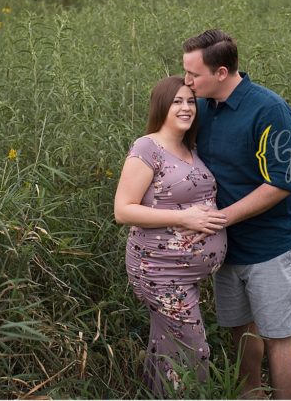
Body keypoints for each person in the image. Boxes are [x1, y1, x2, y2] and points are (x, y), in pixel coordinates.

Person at [182, 29, 291, 399]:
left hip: (270, 245)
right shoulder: (202, 108)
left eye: (194, 75)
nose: (187, 82)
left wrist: (223, 218)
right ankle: (249, 395)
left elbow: (280, 183)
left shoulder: (270, 110)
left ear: (221, 72)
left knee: (278, 336)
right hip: (226, 247)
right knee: (241, 330)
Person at [114, 76, 229, 397]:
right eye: (177, 101)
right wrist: (185, 217)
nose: (186, 107)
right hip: (159, 272)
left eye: (191, 101)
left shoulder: (190, 148)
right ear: (162, 105)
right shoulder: (147, 147)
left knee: (168, 345)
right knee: (194, 349)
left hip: (184, 274)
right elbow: (123, 210)